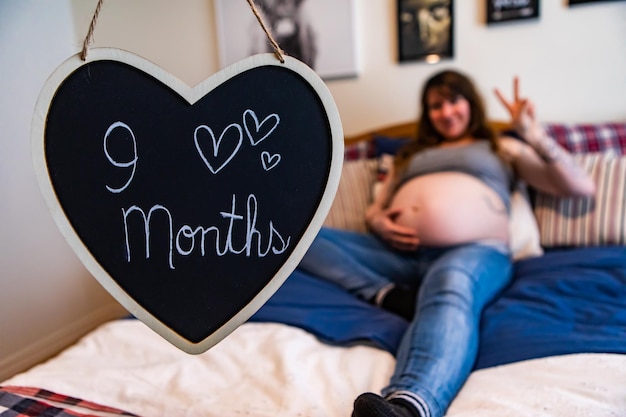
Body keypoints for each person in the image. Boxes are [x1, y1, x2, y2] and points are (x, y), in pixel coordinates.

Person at [296, 69, 596, 417]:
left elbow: (580, 188)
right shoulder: (410, 156)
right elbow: (376, 210)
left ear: (470, 103)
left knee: (451, 287)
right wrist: (378, 220)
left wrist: (535, 135)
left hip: (474, 251)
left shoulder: (501, 146)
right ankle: (385, 294)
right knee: (302, 237)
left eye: (454, 100)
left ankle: (409, 405)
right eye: (436, 105)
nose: (446, 112)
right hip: (400, 254)